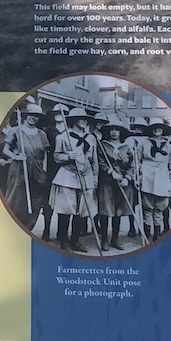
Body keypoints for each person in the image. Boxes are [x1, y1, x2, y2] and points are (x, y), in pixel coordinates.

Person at [0, 100, 53, 238]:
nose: (33, 118)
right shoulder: (16, 131)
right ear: (25, 115)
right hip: (20, 168)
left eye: (36, 116)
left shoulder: (41, 134)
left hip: (38, 169)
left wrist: (44, 170)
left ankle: (27, 229)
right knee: (17, 199)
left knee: (36, 201)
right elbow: (6, 150)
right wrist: (16, 156)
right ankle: (11, 230)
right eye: (31, 115)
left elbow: (45, 154)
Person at [49, 106, 99, 253]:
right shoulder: (63, 137)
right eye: (81, 119)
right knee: (66, 209)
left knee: (82, 210)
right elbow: (56, 157)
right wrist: (68, 156)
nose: (84, 121)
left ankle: (75, 240)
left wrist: (94, 178)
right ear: (73, 121)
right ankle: (64, 241)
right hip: (67, 176)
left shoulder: (91, 138)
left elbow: (94, 160)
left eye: (85, 119)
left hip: (86, 176)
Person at [95, 116, 137, 251]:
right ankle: (105, 240)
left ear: (121, 132)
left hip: (123, 183)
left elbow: (133, 165)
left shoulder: (127, 147)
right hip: (107, 183)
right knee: (106, 210)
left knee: (118, 211)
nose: (114, 132)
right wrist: (110, 171)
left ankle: (115, 239)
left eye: (117, 130)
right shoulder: (102, 145)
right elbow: (100, 162)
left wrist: (127, 177)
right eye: (111, 130)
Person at [139, 119, 171, 243]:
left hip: (163, 177)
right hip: (147, 177)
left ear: (163, 130)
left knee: (159, 208)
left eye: (160, 128)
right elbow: (137, 161)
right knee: (148, 207)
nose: (157, 130)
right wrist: (139, 176)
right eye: (155, 128)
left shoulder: (169, 146)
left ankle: (157, 234)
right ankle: (146, 234)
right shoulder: (144, 143)